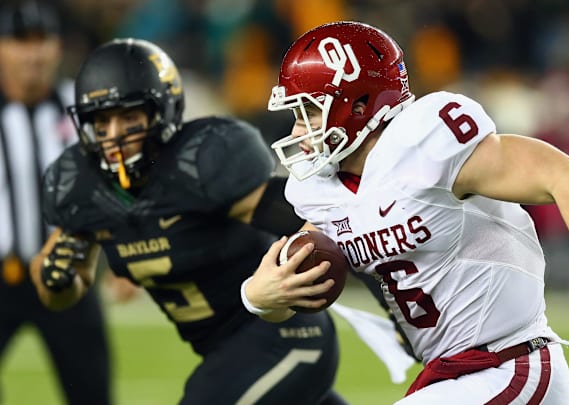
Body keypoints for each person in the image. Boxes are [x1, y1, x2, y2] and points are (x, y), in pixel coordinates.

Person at [243, 21, 569, 404]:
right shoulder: (320, 193)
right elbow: (307, 277)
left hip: (510, 365)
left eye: (310, 112)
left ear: (358, 106)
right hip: (449, 377)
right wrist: (260, 299)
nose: (299, 131)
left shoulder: (426, 146)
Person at [30, 37, 347, 405]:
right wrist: (57, 278)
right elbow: (61, 290)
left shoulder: (199, 165)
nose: (114, 134)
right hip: (225, 353)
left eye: (128, 116)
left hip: (285, 336)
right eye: (102, 121)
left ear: (160, 111)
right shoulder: (82, 187)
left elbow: (315, 221)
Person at [0, 1, 112, 404]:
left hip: (70, 271)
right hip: (1, 276)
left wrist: (122, 256)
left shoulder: (85, 108)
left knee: (91, 393)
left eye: (41, 41)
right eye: (19, 41)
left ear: (57, 47)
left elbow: (114, 184)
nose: (32, 53)